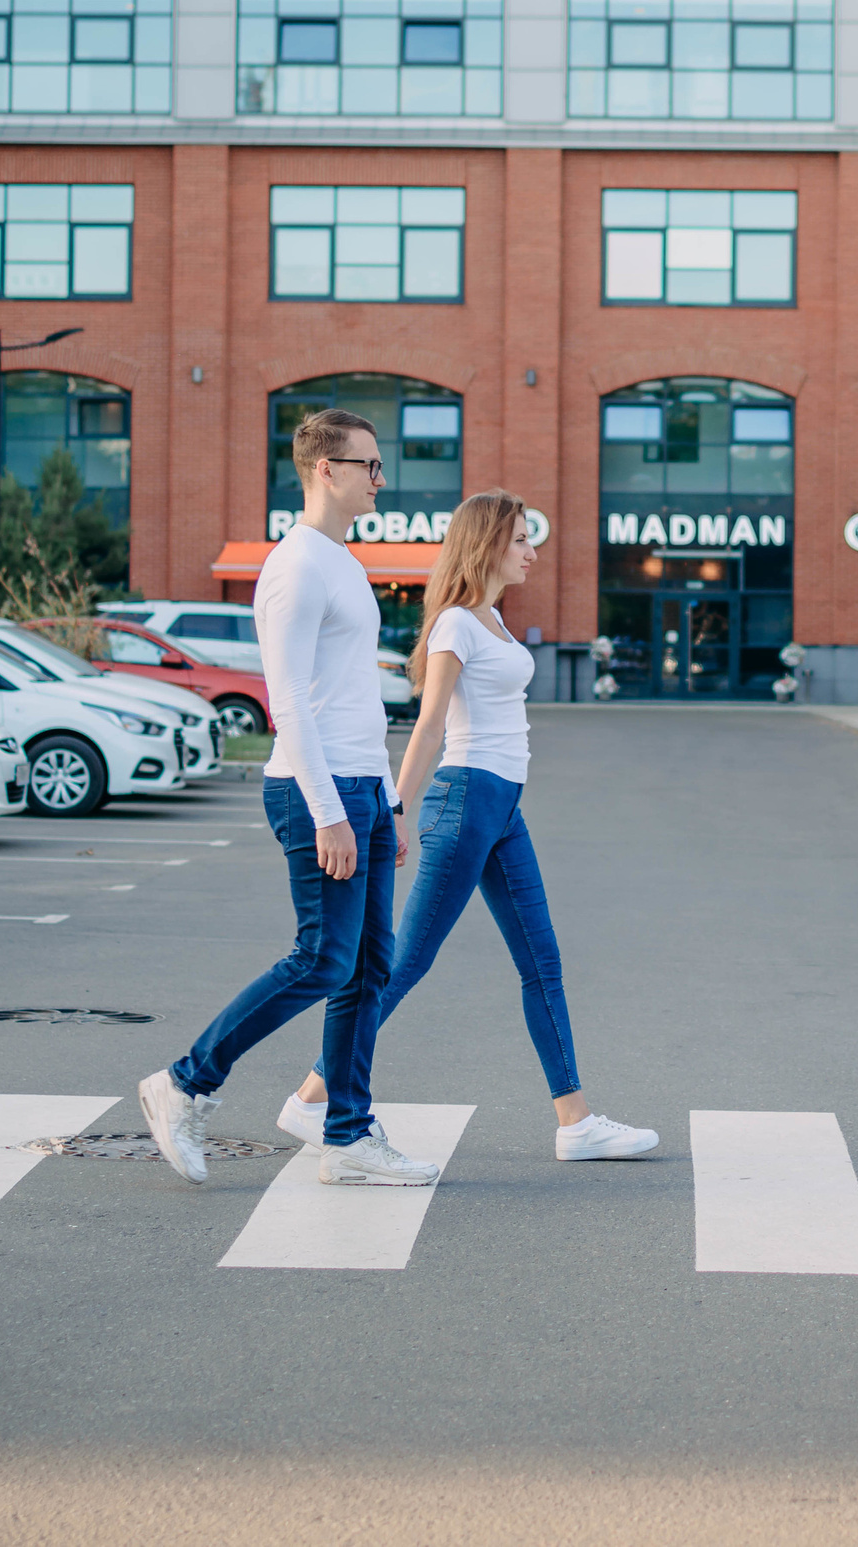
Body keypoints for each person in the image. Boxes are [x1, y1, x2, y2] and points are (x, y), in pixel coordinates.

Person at [277, 490, 659, 1163]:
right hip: (464, 801)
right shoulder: (456, 624)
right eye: (520, 541)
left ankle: (576, 1121)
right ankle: (312, 1095)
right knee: (404, 961)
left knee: (542, 960)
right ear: (486, 544)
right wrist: (393, 809)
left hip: (502, 807)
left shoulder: (493, 619)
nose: (532, 553)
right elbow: (429, 727)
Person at [136, 409, 439, 1189]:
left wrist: (383, 802)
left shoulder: (344, 560)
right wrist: (332, 812)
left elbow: (352, 696)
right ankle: (185, 1081)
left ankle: (346, 1132)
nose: (380, 477)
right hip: (317, 792)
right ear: (324, 471)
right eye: (368, 465)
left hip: (360, 789)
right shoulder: (296, 565)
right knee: (323, 958)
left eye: (379, 464)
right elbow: (290, 702)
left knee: (370, 965)